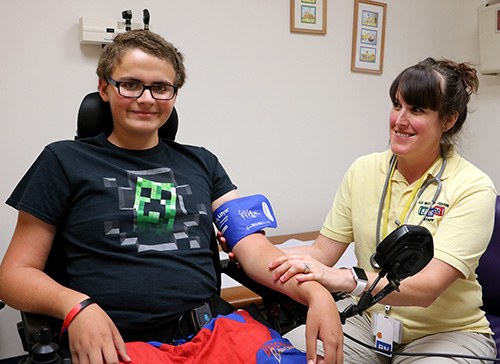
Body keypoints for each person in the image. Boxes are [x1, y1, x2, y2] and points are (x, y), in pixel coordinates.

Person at [0, 30, 343, 364]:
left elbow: (254, 250)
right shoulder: (63, 161)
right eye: (131, 84)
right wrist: (75, 307)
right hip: (118, 342)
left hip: (216, 334)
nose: (147, 99)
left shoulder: (202, 163)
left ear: (174, 94)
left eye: (161, 87)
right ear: (104, 87)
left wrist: (314, 292)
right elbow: (14, 274)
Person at [268, 58, 497, 363]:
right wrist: (251, 251)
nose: (400, 120)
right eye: (397, 105)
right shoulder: (363, 170)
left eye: (417, 110)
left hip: (446, 333)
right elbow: (322, 253)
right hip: (368, 320)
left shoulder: (473, 187)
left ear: (448, 120)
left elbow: (427, 287)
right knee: (283, 356)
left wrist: (346, 279)